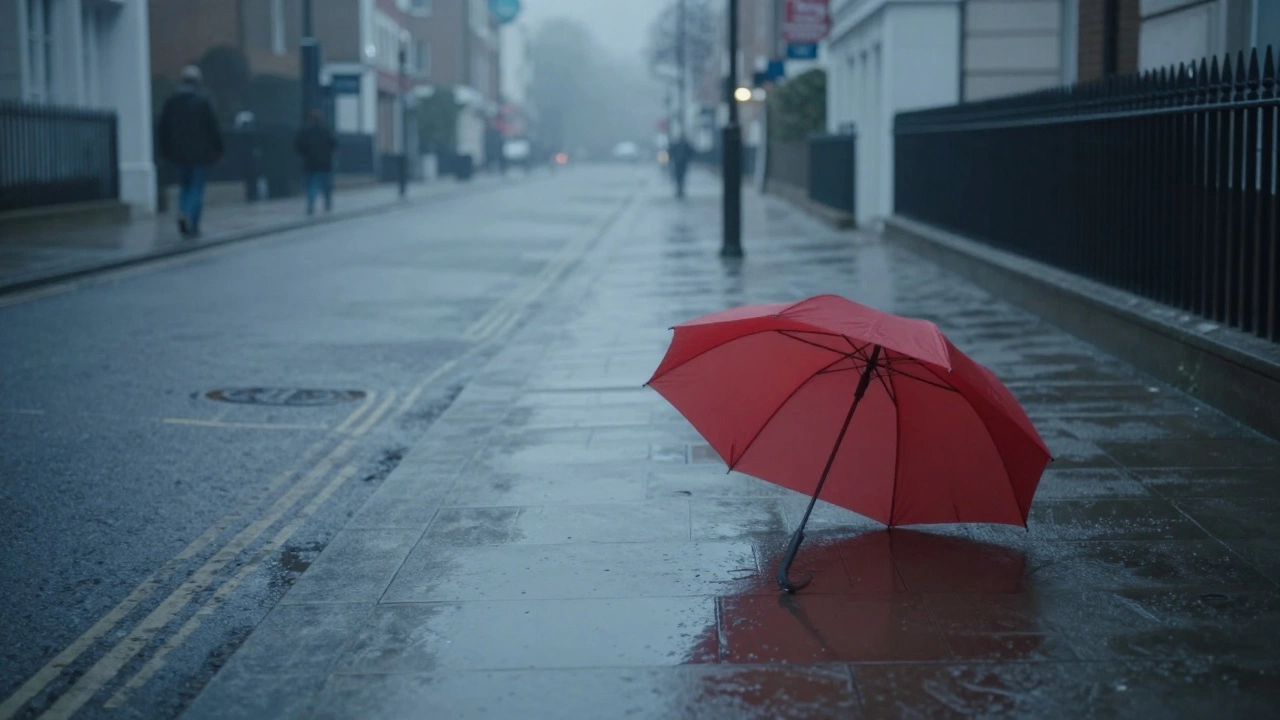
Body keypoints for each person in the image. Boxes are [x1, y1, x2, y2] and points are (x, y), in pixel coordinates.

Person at [157, 65, 223, 238]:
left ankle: (182, 212)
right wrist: (218, 149)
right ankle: (191, 221)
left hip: (179, 153)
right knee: (196, 188)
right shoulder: (203, 100)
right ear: (198, 81)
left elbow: (163, 128)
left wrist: (165, 151)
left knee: (184, 186)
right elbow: (213, 128)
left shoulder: (171, 101)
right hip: (201, 154)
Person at [295, 109, 338, 215]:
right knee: (326, 186)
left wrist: (304, 154)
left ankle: (311, 204)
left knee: (312, 185)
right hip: (325, 164)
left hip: (310, 164)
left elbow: (298, 146)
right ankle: (327, 203)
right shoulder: (326, 131)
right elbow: (334, 145)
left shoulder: (305, 132)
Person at [670, 135, 693, 199]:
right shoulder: (681, 145)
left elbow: (690, 152)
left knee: (680, 177)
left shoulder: (684, 145)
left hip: (681, 163)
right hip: (679, 163)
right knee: (679, 177)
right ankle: (679, 190)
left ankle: (680, 190)